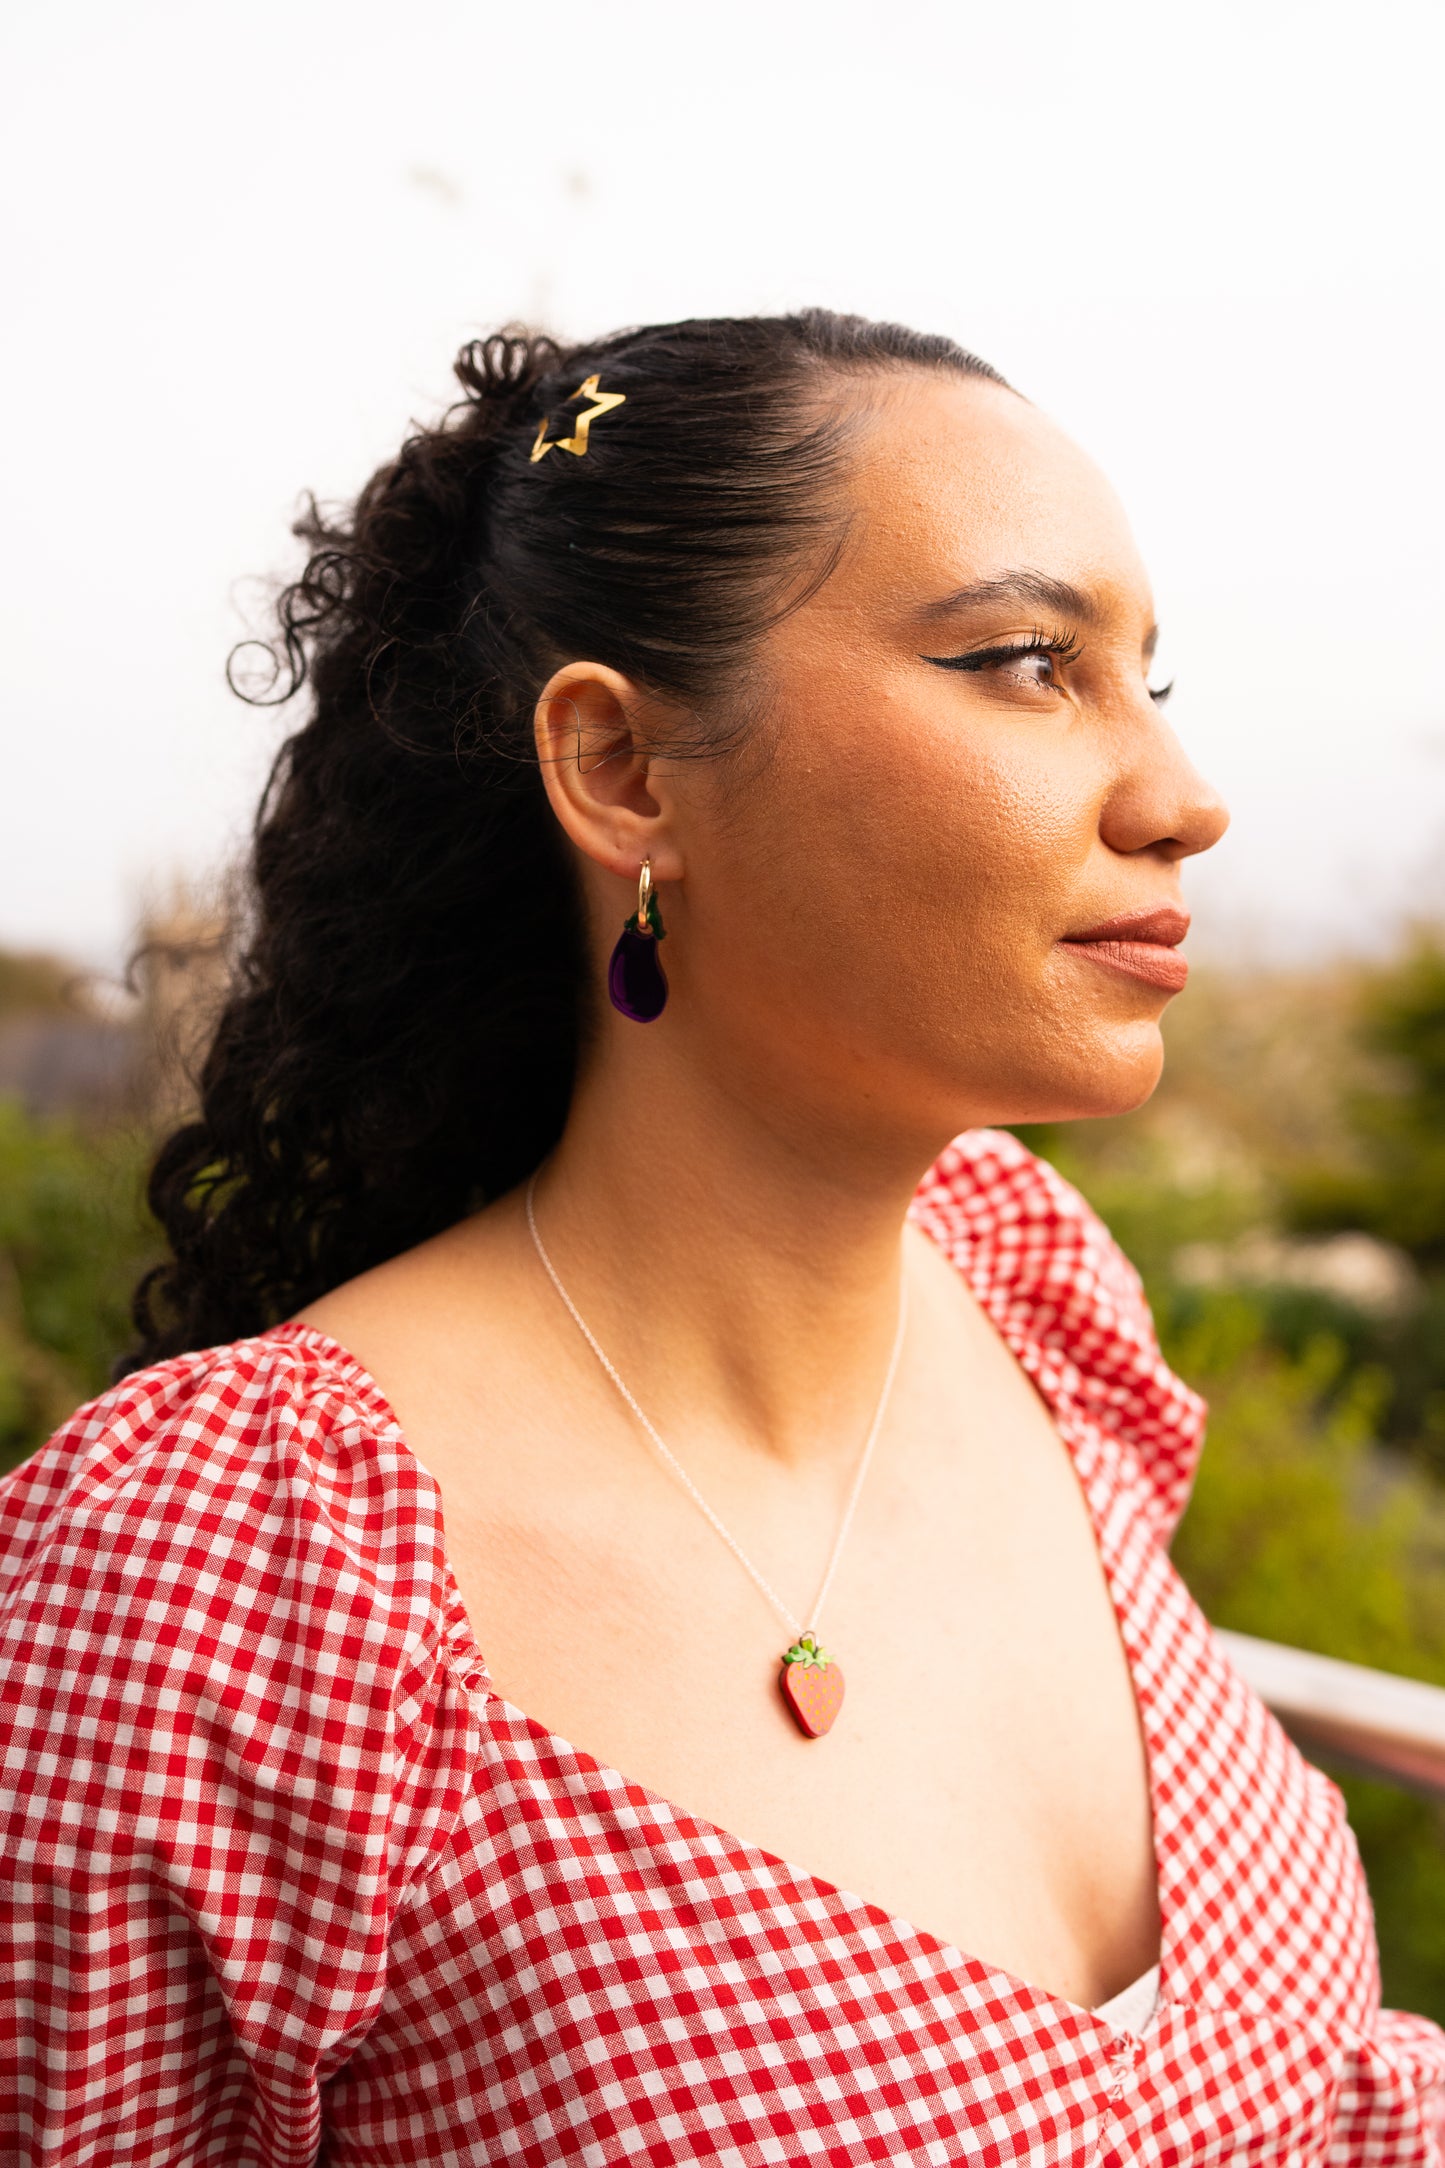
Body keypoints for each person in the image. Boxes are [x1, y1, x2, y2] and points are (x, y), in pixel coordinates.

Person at [2, 309, 1441, 2165]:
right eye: (1027, 663)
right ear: (622, 768)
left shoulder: (1026, 1297)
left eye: (1144, 679)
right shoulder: (239, 1562)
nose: (1179, 799)